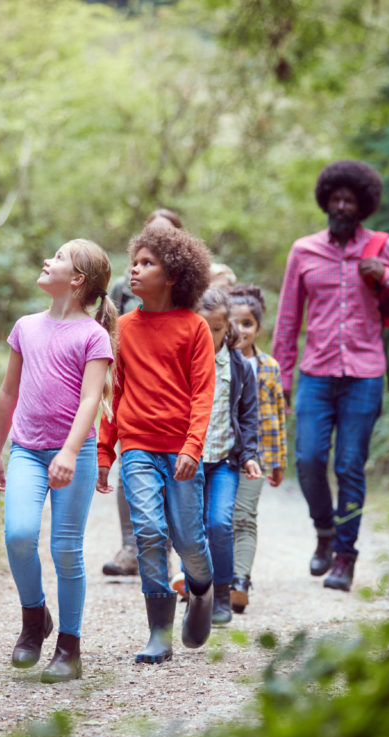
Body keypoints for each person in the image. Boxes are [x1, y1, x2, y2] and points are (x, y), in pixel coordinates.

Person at [273, 160, 389, 592]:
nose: (342, 205)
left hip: (365, 375)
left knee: (350, 466)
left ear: (362, 206)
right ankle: (324, 530)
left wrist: (388, 275)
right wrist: (281, 382)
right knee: (307, 460)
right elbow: (287, 320)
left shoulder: (383, 248)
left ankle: (345, 556)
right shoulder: (304, 250)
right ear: (326, 201)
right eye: (336, 198)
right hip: (316, 374)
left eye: (351, 200)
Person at [0, 239, 117, 683]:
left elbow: (90, 402)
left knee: (66, 549)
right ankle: (33, 619)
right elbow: (8, 392)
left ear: (77, 280)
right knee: (19, 534)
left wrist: (68, 451)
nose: (48, 260)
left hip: (74, 454)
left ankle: (69, 647)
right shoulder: (26, 326)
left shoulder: (93, 336)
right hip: (26, 449)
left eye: (59, 257)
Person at [96, 223, 216, 664]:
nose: (135, 270)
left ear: (173, 277)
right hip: (137, 448)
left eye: (148, 263)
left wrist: (191, 446)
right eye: (135, 262)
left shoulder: (195, 328)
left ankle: (202, 590)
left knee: (188, 540)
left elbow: (203, 393)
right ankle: (159, 633)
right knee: (148, 532)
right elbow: (114, 393)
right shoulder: (122, 328)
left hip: (181, 450)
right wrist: (106, 451)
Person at [102, 208, 184, 578]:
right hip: (133, 388)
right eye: (149, 233)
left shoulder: (185, 288)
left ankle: (160, 549)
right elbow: (109, 334)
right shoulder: (124, 287)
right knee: (131, 467)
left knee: (168, 477)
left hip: (171, 394)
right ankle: (130, 547)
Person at [195, 288, 262, 625]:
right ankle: (198, 593)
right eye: (202, 328)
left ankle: (222, 592)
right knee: (190, 529)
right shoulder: (183, 362)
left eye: (217, 329)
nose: (209, 336)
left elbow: (249, 414)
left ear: (227, 329)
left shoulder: (239, 367)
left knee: (219, 524)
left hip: (224, 462)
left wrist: (249, 454)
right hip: (188, 462)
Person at [225, 284, 286, 613]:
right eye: (234, 323)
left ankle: (240, 580)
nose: (241, 330)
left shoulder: (270, 367)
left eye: (247, 323)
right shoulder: (216, 362)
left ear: (258, 328)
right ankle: (206, 579)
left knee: (244, 517)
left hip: (258, 456)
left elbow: (277, 415)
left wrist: (279, 460)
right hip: (221, 453)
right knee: (218, 518)